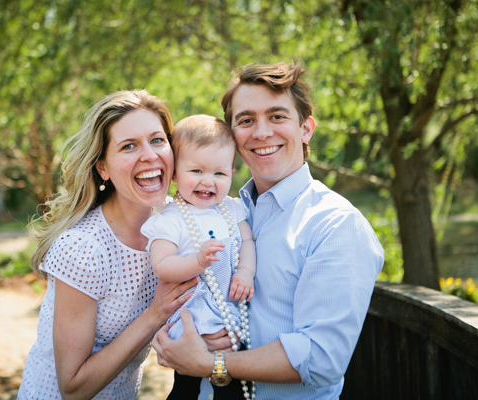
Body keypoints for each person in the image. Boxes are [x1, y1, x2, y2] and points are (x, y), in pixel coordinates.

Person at [152, 62, 385, 400]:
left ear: (306, 129)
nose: (261, 133)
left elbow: (321, 359)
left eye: (277, 117)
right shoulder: (223, 211)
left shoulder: (336, 224)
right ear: (233, 137)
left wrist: (213, 362)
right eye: (246, 120)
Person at [17, 90, 199, 400]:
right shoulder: (84, 248)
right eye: (129, 146)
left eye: (157, 140)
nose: (150, 156)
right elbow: (72, 387)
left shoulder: (179, 222)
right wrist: (154, 316)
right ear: (103, 168)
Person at [140, 115, 257, 399]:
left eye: (219, 174)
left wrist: (245, 272)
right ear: (175, 173)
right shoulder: (170, 220)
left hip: (231, 312)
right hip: (194, 317)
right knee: (190, 386)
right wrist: (197, 261)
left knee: (236, 385)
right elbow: (163, 265)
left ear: (231, 172)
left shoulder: (233, 209)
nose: (208, 181)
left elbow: (248, 242)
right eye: (196, 171)